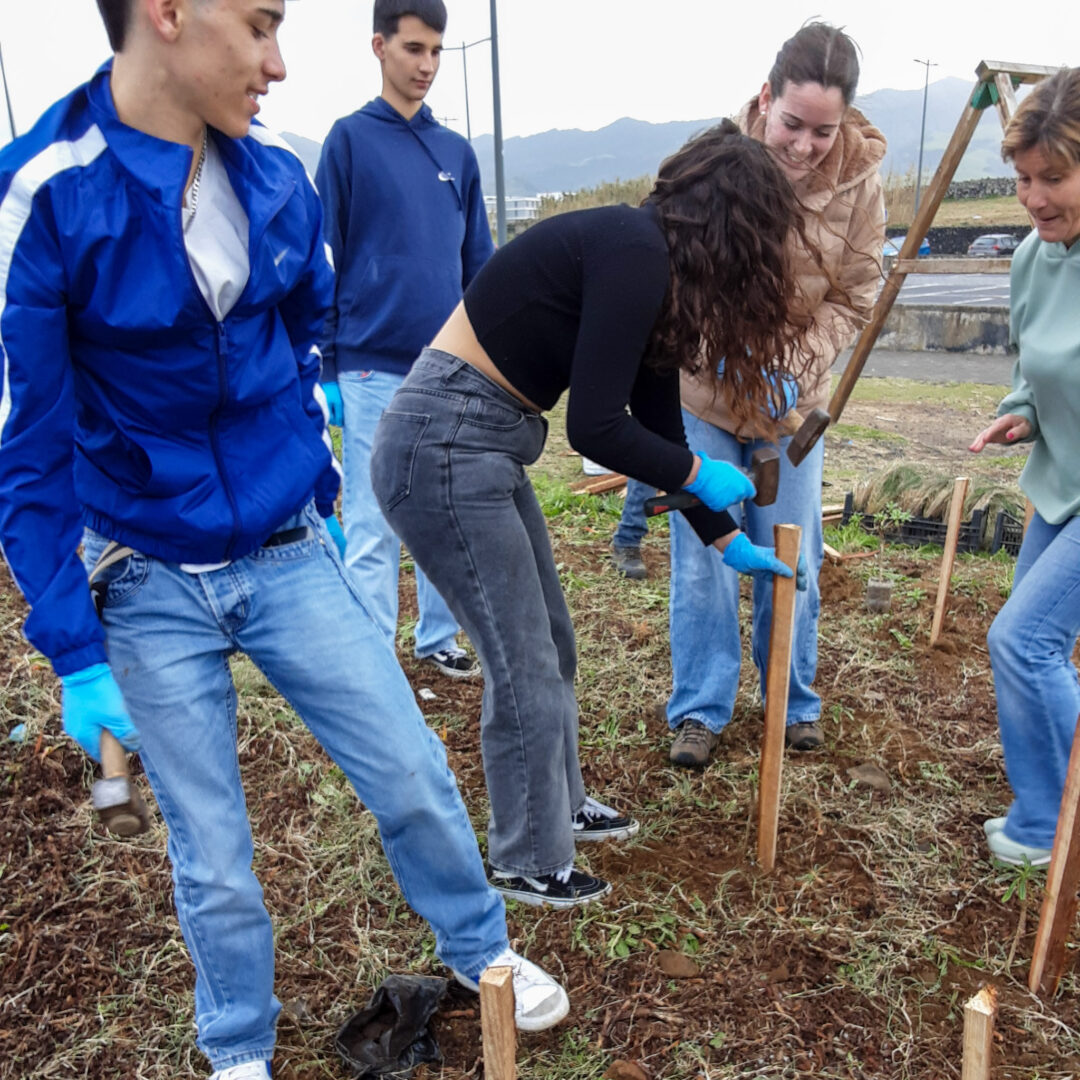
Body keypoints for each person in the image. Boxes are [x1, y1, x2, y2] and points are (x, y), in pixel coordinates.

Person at [0, 3, 568, 1076]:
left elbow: (308, 328)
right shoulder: (46, 195)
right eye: (260, 24)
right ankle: (238, 1049)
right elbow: (25, 451)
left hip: (285, 548)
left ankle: (481, 948)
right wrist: (74, 652)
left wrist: (314, 467)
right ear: (169, 13)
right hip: (144, 571)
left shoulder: (274, 179)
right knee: (212, 850)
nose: (278, 63)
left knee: (409, 767)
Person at [370, 121, 814, 908]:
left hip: (480, 443)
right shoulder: (632, 252)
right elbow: (596, 429)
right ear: (728, 230)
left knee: (552, 641)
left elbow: (661, 435)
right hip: (442, 444)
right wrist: (699, 475)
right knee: (523, 660)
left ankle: (561, 805)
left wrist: (725, 541)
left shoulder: (651, 277)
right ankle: (527, 857)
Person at [664, 22, 886, 768]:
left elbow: (855, 295)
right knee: (705, 555)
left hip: (791, 410)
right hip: (706, 398)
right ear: (766, 98)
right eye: (793, 123)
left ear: (845, 121)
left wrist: (796, 361)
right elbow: (681, 273)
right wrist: (723, 350)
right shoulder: (721, 163)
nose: (804, 145)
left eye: (823, 132)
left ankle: (792, 701)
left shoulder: (860, 187)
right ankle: (700, 709)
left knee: (795, 553)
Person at [316, 0, 490, 679]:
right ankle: (371, 660)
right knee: (373, 519)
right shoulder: (349, 142)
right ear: (379, 46)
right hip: (369, 368)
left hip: (447, 367)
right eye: (414, 49)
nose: (427, 65)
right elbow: (323, 259)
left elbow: (478, 266)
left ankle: (438, 637)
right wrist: (327, 365)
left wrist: (487, 357)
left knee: (442, 508)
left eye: (436, 51)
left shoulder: (455, 153)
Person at [969, 67, 1080, 867]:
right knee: (1027, 644)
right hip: (1062, 486)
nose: (1034, 198)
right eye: (1023, 179)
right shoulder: (1034, 261)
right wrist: (1024, 414)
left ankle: (1056, 826)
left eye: (1054, 178)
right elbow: (1034, 371)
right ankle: (1046, 816)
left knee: (1023, 641)